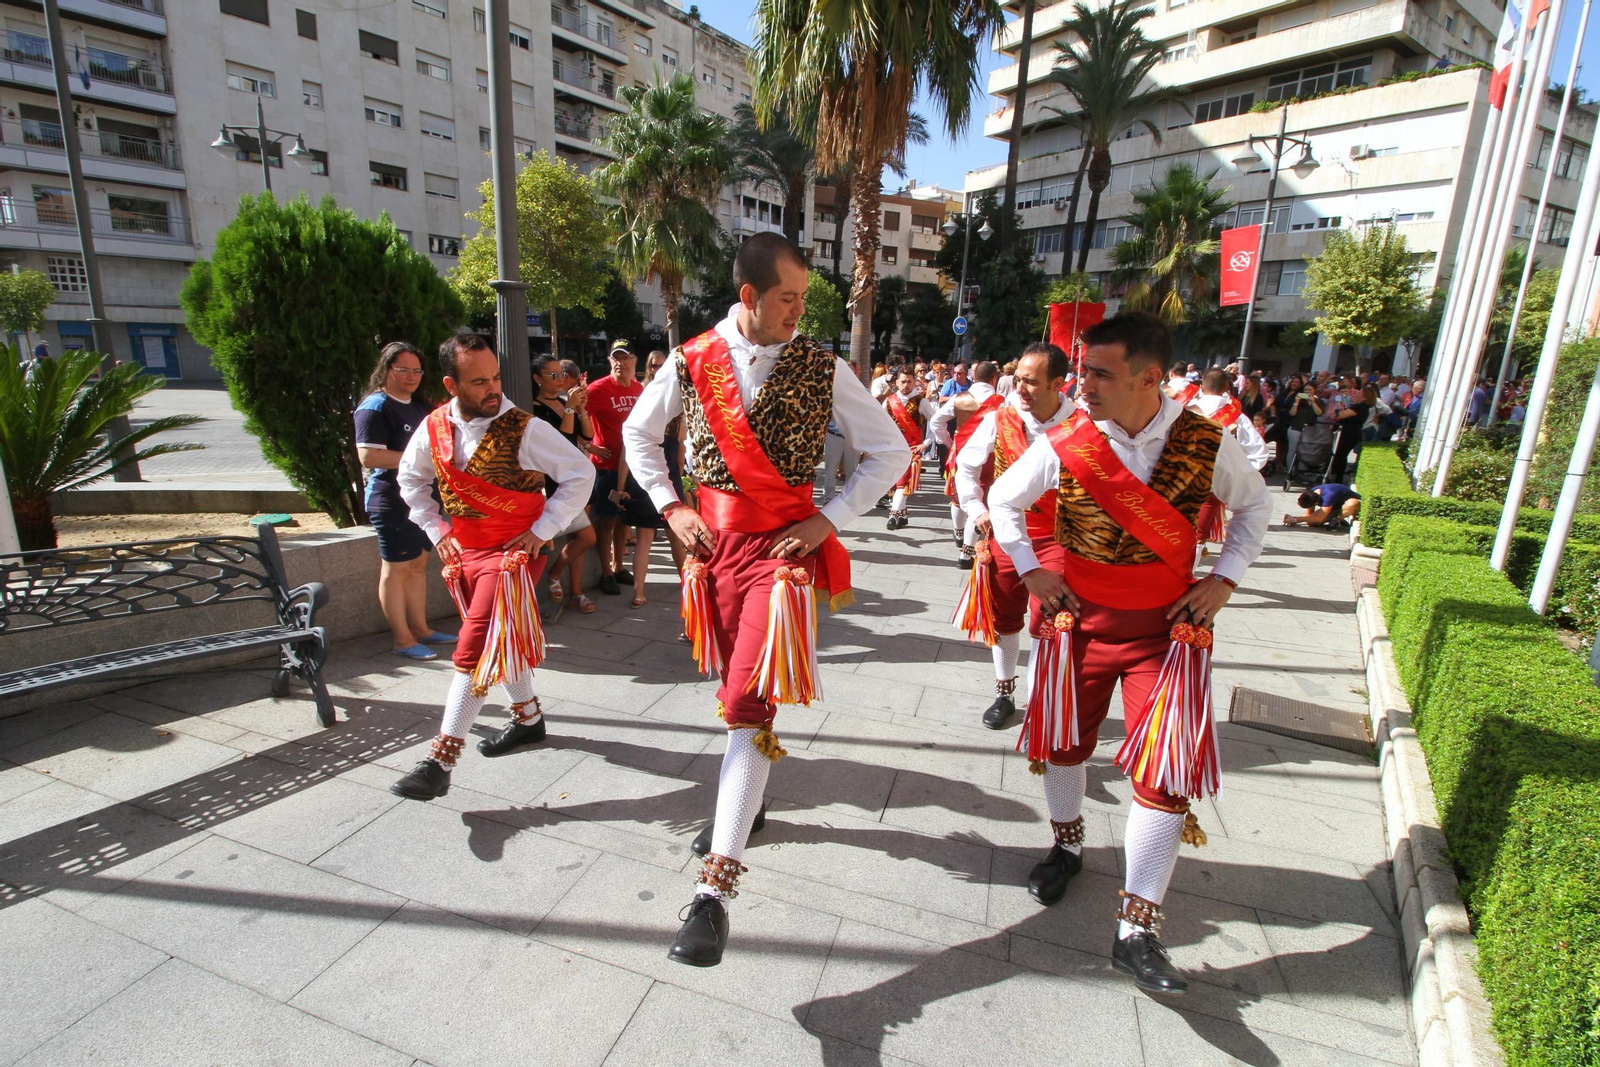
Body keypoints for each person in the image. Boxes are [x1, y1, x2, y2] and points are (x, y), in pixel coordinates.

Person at [621, 232, 906, 968]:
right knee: (731, 692)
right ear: (749, 296)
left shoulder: (821, 364)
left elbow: (892, 452)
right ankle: (748, 803)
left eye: (805, 298)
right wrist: (671, 507)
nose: (800, 311)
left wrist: (828, 518)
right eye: (788, 298)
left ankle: (713, 893)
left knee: (748, 701)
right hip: (710, 553)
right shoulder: (690, 361)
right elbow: (638, 435)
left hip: (780, 558)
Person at [987, 310, 1268, 995]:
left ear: (1148, 377)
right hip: (1079, 627)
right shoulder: (1068, 439)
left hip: (1163, 638)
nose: (1082, 384)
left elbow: (1255, 507)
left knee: (1165, 776)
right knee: (1063, 747)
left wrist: (1224, 578)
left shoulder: (1206, 439)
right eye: (1081, 371)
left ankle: (1137, 930)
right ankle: (1068, 845)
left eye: (1098, 373)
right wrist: (1030, 569)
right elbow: (1001, 497)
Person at [391, 334, 595, 800]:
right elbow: (410, 480)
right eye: (478, 380)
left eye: (496, 377)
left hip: (513, 556)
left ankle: (440, 760)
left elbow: (580, 474)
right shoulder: (435, 426)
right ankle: (528, 719)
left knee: (478, 645)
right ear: (450, 383)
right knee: (497, 638)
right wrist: (437, 531)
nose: (492, 389)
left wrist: (543, 531)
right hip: (464, 553)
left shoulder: (525, 428)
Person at [952, 342, 1075, 729]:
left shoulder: (1082, 424)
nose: (1019, 389)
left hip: (1058, 538)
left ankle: (1040, 702)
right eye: (1017, 379)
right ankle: (1004, 692)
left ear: (1059, 384)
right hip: (1006, 535)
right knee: (1004, 618)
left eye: (1031, 382)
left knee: (1049, 619)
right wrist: (977, 511)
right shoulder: (999, 418)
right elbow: (965, 468)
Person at [356, 343, 455, 659]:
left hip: (423, 501)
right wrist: (419, 459)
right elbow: (369, 455)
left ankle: (421, 630)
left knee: (417, 565)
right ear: (386, 370)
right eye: (403, 370)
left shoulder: (418, 405)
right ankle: (402, 639)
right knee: (396, 568)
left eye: (417, 370)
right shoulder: (375, 407)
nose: (411, 376)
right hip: (390, 500)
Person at [528, 354, 599, 615]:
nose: (560, 380)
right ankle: (554, 576)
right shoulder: (534, 408)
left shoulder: (563, 401)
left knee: (580, 537)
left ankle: (575, 593)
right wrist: (569, 407)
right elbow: (561, 439)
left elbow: (586, 435)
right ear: (537, 378)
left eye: (561, 374)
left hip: (576, 477)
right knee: (586, 536)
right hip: (554, 481)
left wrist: (580, 408)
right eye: (553, 375)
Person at [612, 350, 680, 607]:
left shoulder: (643, 401)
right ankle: (689, 588)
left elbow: (627, 451)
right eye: (655, 364)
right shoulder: (677, 405)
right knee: (672, 538)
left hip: (645, 478)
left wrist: (621, 485)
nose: (658, 367)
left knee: (646, 539)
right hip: (665, 479)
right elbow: (681, 451)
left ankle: (639, 593)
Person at [1189, 369, 1271, 548]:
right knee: (1199, 535)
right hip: (1214, 481)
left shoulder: (1183, 410)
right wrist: (1238, 473)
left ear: (1201, 386)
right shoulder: (1238, 417)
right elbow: (1258, 452)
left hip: (1178, 478)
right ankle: (1188, 571)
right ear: (1227, 387)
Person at [931, 361, 1003, 564]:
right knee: (980, 500)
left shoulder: (959, 398)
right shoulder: (1002, 402)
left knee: (958, 494)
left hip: (961, 451)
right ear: (994, 378)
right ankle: (967, 552)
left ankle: (958, 531)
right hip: (990, 456)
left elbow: (936, 421)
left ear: (974, 376)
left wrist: (947, 441)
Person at [588, 339, 644, 596]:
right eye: (615, 358)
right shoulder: (598, 389)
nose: (620, 363)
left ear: (634, 361)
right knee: (607, 521)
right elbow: (570, 419)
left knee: (625, 521)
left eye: (625, 357)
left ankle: (618, 565)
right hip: (607, 466)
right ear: (610, 361)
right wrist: (588, 446)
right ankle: (605, 573)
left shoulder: (639, 389)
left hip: (633, 467)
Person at [883, 368, 939, 530]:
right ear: (896, 382)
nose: (906, 385)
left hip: (912, 449)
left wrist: (926, 443)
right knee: (894, 483)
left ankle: (893, 515)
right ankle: (903, 515)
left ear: (914, 382)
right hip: (892, 448)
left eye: (909, 381)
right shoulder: (889, 401)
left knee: (903, 483)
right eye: (903, 381)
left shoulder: (921, 401)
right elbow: (879, 423)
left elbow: (936, 423)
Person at [1327, 383, 1371, 483]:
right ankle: (1336, 476)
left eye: (1359, 394)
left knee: (1340, 455)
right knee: (1341, 455)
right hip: (1350, 433)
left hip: (1349, 434)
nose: (1356, 396)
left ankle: (1337, 478)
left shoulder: (1359, 407)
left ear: (1364, 397)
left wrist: (1339, 406)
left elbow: (1342, 415)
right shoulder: (1361, 407)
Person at [1284, 483, 1361, 528]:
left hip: (1349, 506)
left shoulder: (1329, 496)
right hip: (1335, 507)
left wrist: (1295, 519)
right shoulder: (1311, 493)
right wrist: (1294, 520)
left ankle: (1337, 520)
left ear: (1315, 503)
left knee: (1353, 503)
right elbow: (1309, 515)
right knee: (1312, 523)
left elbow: (1319, 518)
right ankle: (1334, 516)